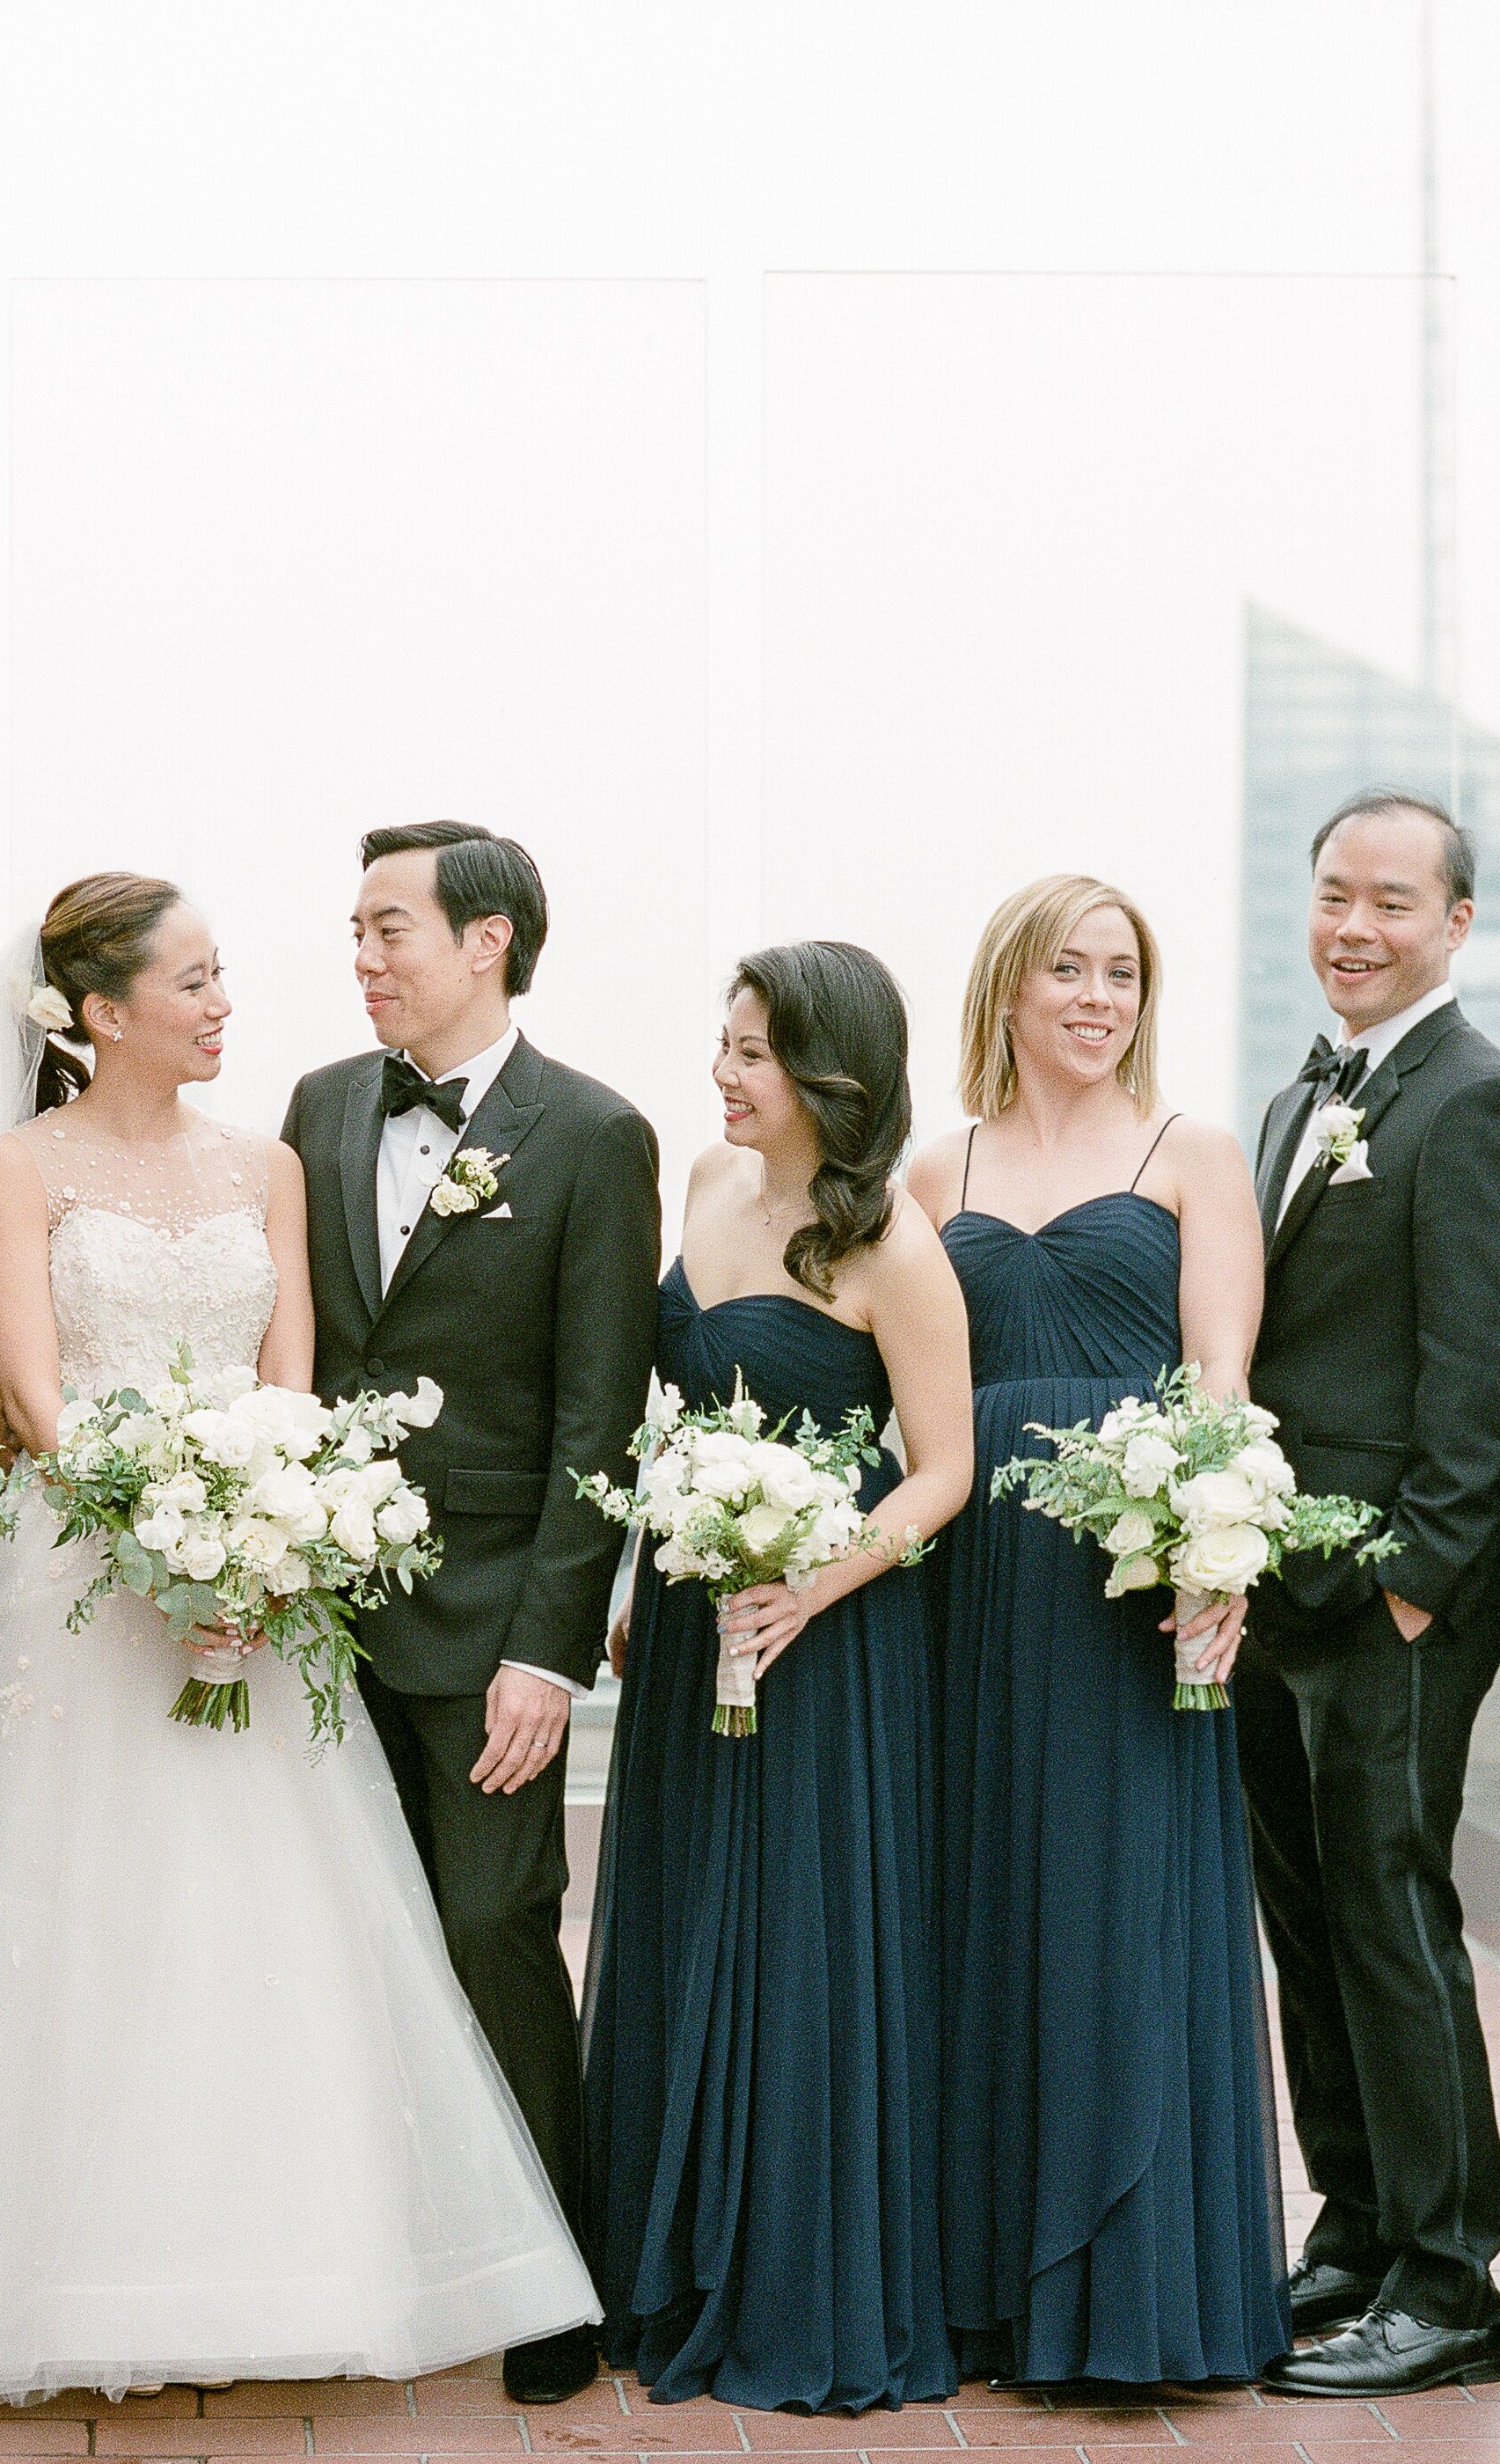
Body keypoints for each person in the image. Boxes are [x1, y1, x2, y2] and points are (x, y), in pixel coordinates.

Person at [0, 874, 598, 2402]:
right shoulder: (19, 1168)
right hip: (84, 1585)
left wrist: (258, 1536)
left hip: (265, 1577)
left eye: (224, 976)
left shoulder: (271, 1163)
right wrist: (159, 1551)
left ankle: (291, 2260)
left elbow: (293, 1376)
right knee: (98, 1915)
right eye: (195, 982)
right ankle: (88, 2273)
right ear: (101, 1014)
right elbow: (33, 1395)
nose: (228, 1001)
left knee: (268, 1921)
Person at [276, 820, 659, 2406]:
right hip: (314, 1616)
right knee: (330, 1947)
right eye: (356, 933)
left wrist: (547, 1655)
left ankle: (555, 2275)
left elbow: (600, 1421)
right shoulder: (314, 1106)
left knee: (495, 1929)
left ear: (486, 941)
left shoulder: (595, 1134)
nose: (361, 959)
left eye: (389, 931)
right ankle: (371, 2249)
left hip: (493, 1618)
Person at [908, 874, 1287, 2388]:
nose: (1095, 997)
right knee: (984, 1891)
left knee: (1125, 1903)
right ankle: (991, 2284)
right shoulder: (936, 1172)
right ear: (1009, 985)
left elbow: (1221, 1373)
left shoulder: (1188, 1150)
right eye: (1065, 969)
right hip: (975, 1588)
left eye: (1120, 974)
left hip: (1132, 1580)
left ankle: (1137, 2292)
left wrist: (1219, 1549)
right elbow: (906, 1401)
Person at [584, 942, 971, 2413]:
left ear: (830, 1077)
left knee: (802, 1939)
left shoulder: (897, 1246)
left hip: (827, 1639)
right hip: (694, 1619)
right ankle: (671, 2250)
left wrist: (811, 1585)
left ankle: (797, 2275)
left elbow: (945, 1469)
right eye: (725, 1045)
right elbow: (666, 1419)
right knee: (687, 1918)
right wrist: (643, 1582)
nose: (725, 1075)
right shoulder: (700, 1186)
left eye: (752, 1053)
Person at [1241, 796, 1500, 2399]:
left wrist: (1417, 1589)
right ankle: (1357, 2230)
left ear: (1455, 922)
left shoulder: (1477, 1101)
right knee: (1313, 1924)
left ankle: (1449, 2281)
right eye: (1331, 896)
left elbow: (1481, 1366)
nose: (1353, 927)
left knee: (1393, 1918)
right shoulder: (1314, 1087)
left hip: (1390, 1599)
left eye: (1390, 902)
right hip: (1285, 1583)